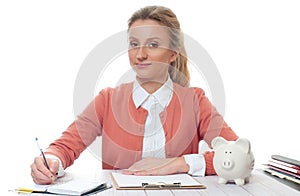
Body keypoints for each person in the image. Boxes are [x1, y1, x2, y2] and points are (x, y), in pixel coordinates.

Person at [30, 5, 238, 185]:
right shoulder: (108, 100)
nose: (140, 54)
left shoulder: (194, 101)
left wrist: (178, 163)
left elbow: (238, 154)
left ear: (173, 53)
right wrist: (50, 160)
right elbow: (65, 147)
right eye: (134, 44)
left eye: (153, 45)